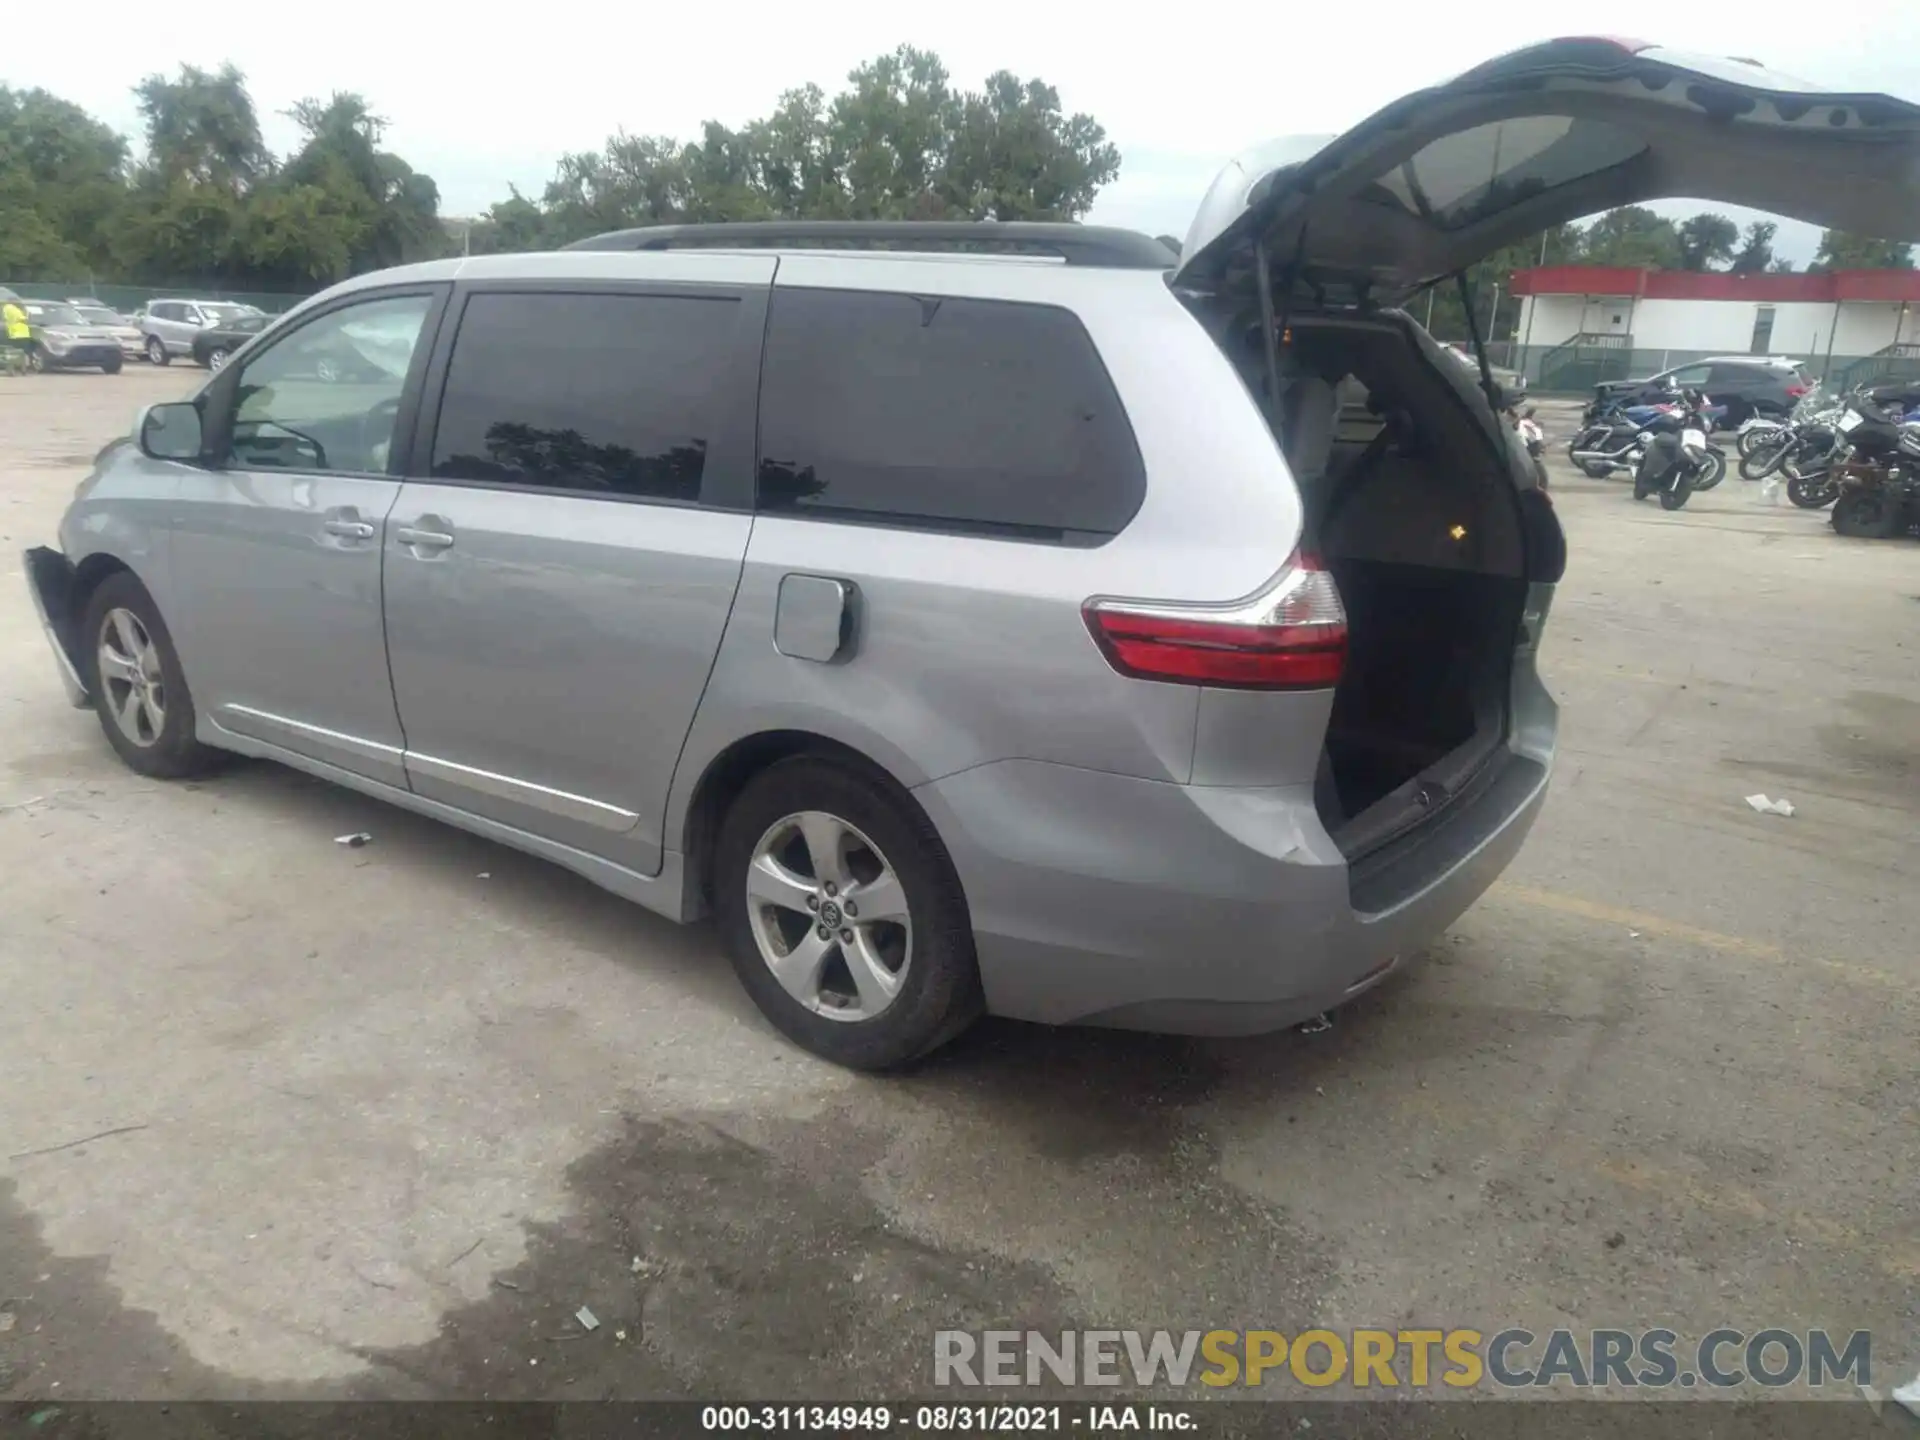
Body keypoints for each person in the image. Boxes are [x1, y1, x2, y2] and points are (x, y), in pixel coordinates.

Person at [1, 289, 32, 375]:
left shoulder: (9, 308)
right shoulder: (10, 308)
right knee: (18, 352)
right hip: (19, 332)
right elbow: (22, 319)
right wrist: (26, 315)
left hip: (18, 332)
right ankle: (16, 370)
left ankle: (20, 369)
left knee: (17, 352)